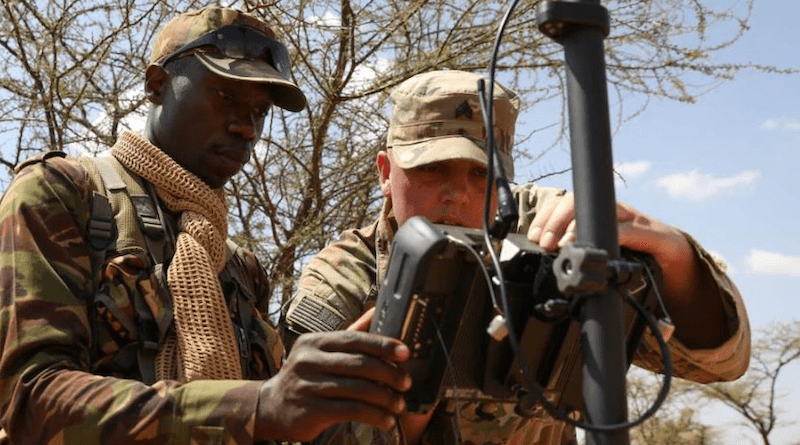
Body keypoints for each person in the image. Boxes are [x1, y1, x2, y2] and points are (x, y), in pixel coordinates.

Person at [0, 7, 414, 445]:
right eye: (224, 96)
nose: (246, 127)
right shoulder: (64, 193)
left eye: (259, 110)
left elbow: (273, 419)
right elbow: (32, 398)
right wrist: (256, 406)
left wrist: (331, 396)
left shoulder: (240, 268)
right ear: (156, 84)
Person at [282, 70, 751, 444]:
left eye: (481, 173)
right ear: (387, 172)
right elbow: (308, 429)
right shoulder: (346, 274)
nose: (457, 194)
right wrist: (415, 381)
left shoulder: (550, 230)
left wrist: (674, 256)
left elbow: (719, 364)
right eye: (431, 169)